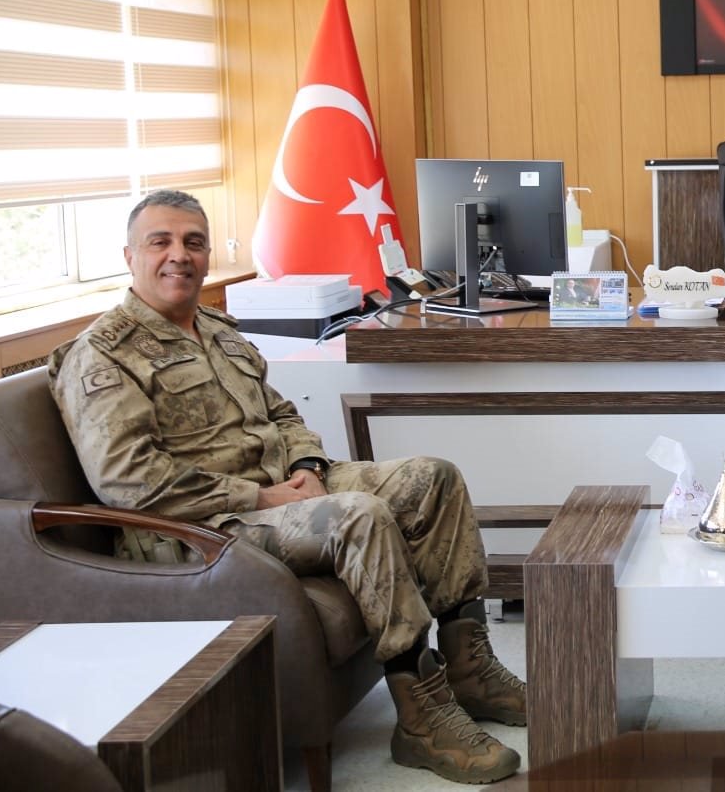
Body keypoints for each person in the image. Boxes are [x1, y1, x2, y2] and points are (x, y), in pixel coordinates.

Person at [49, 190, 523, 785]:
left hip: (278, 492)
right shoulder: (103, 354)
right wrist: (261, 497)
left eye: (193, 242)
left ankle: (470, 671)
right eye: (160, 242)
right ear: (129, 256)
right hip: (194, 528)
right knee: (359, 515)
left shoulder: (217, 331)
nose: (179, 256)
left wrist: (307, 467)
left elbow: (281, 413)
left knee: (432, 478)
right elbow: (129, 482)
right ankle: (422, 720)